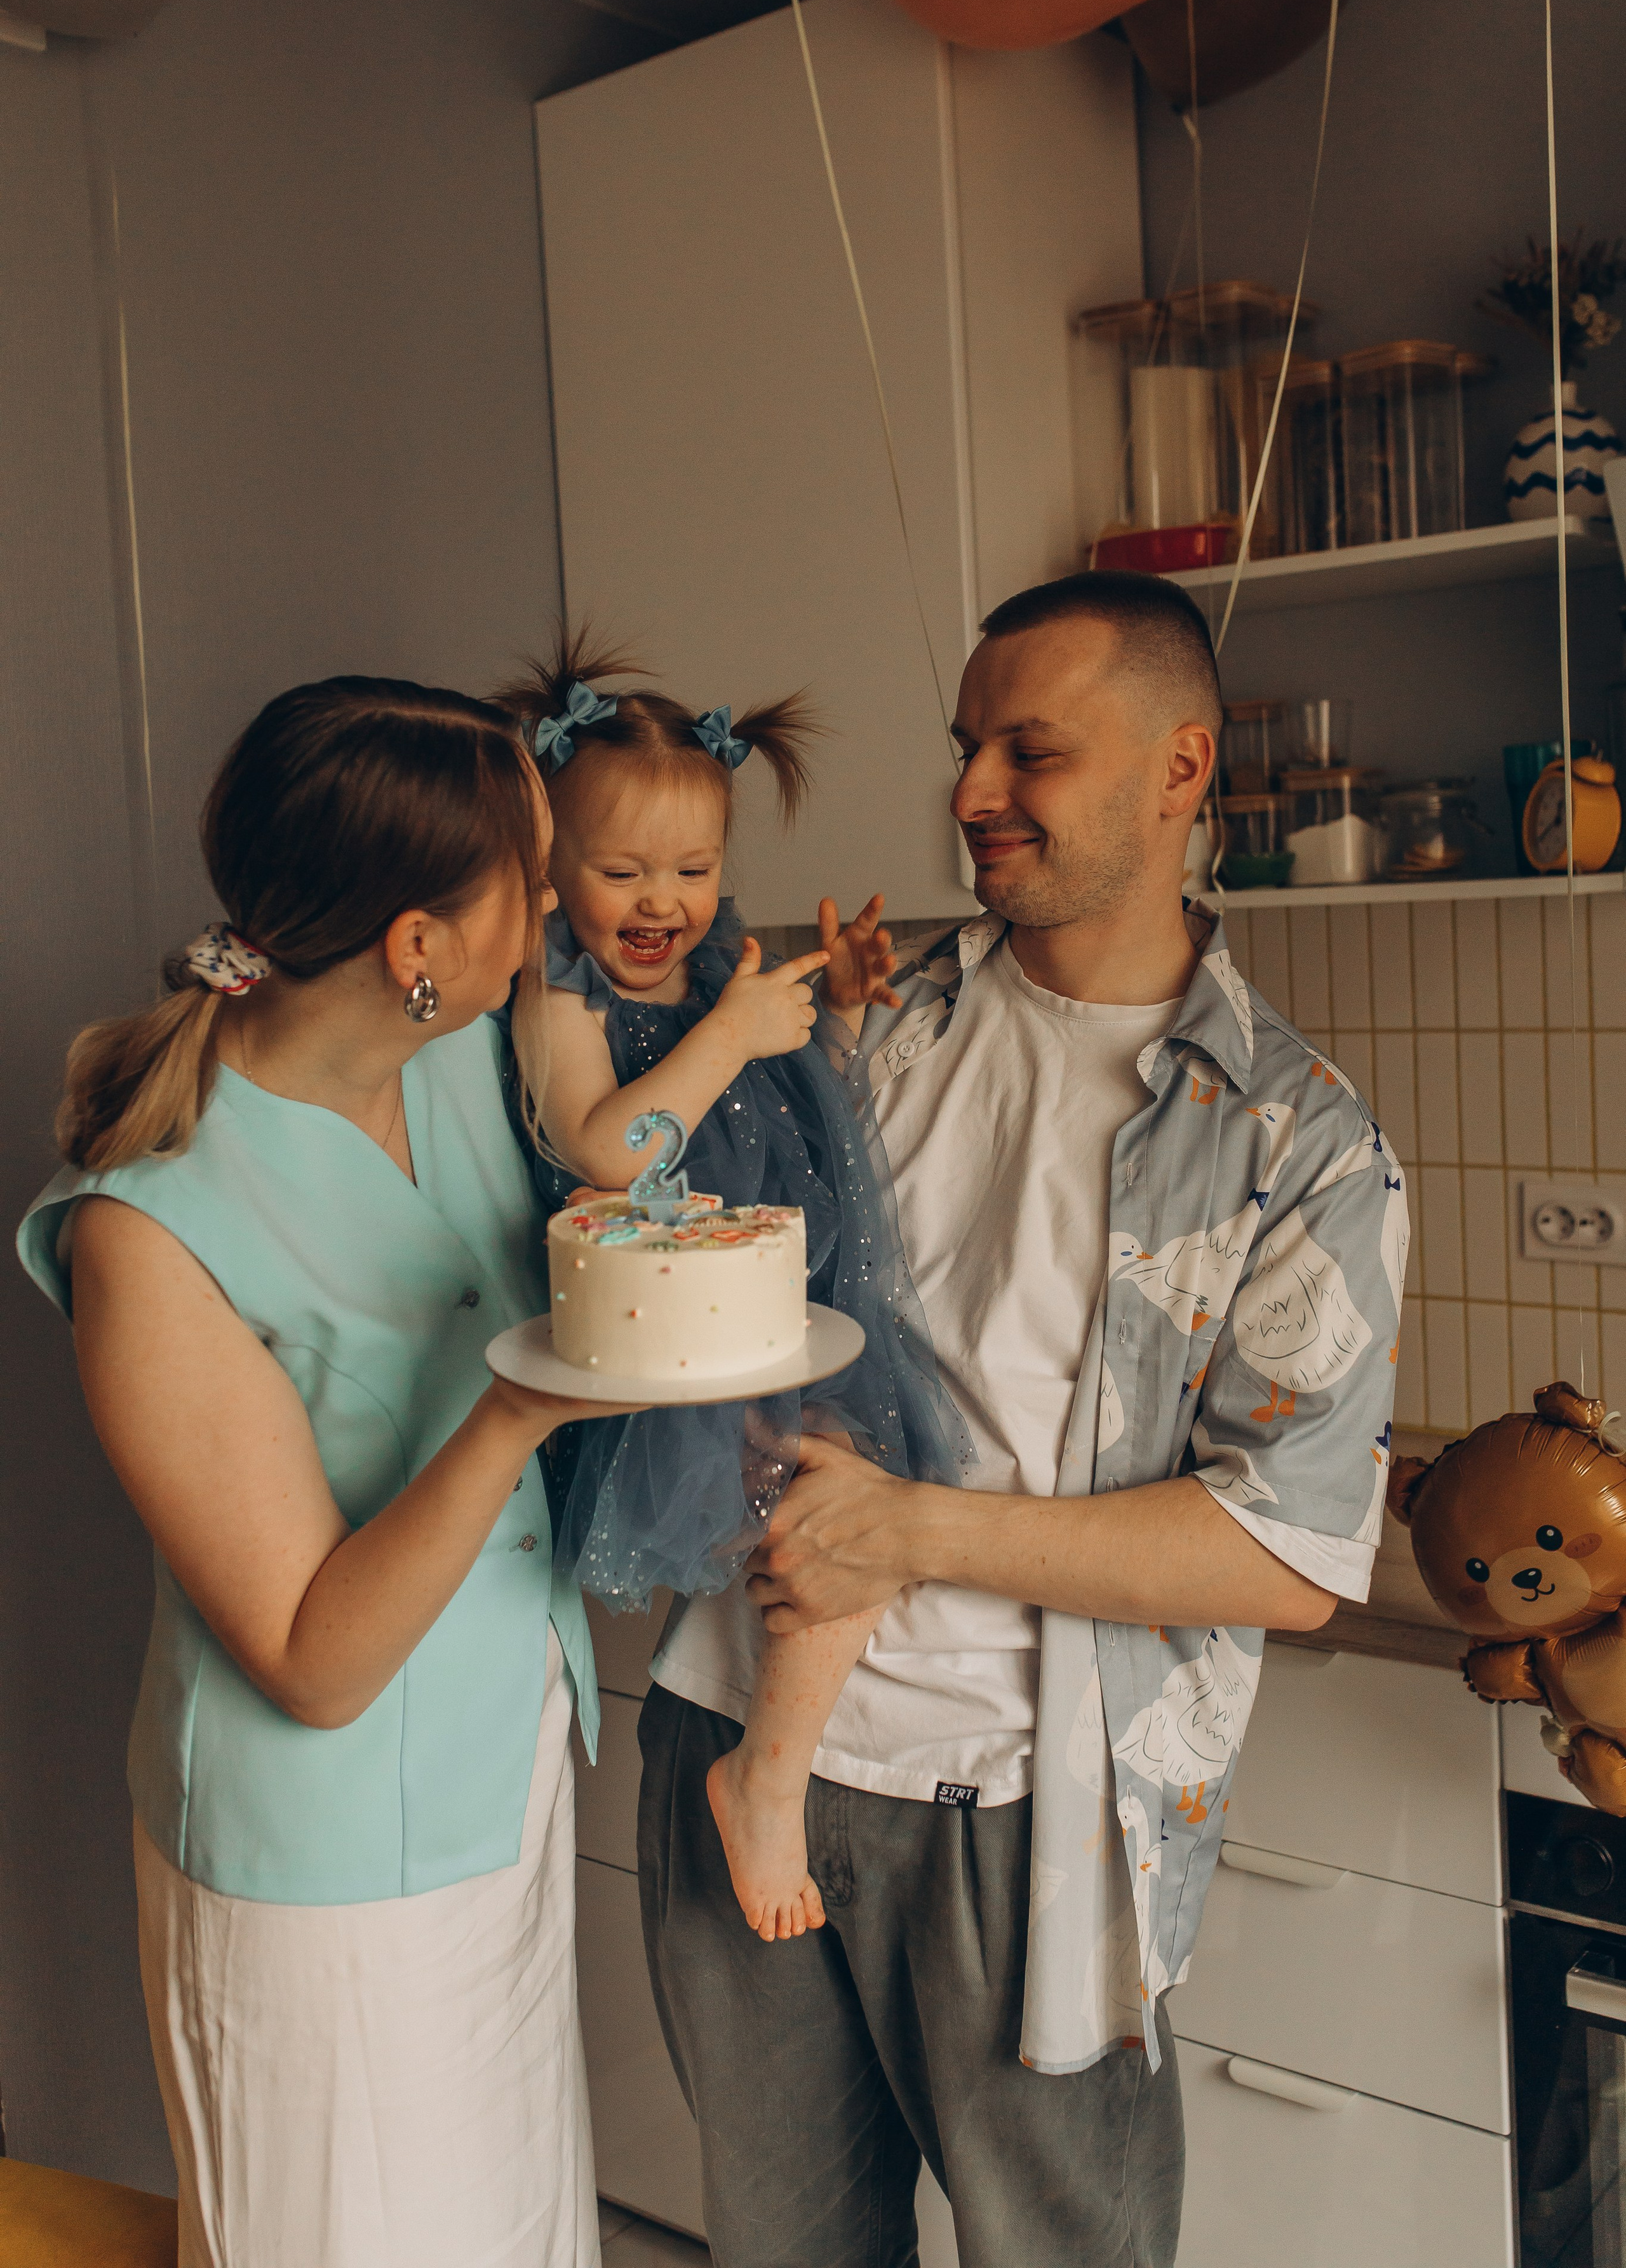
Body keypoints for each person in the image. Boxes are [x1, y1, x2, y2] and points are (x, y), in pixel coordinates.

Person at [637, 571, 1409, 2268]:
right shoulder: (866, 1024)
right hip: (734, 1731)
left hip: (1024, 1814)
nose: (972, 792)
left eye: (1030, 752)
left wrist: (909, 1533)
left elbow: (1285, 1557)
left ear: (1180, 768)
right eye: (968, 747)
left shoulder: (1294, 1143)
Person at [16, 676, 647, 2268]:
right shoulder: (148, 1229)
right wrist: (514, 1408)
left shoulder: (456, 1064)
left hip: (500, 1785)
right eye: (532, 872)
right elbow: (311, 1661)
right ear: (418, 941)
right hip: (329, 1879)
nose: (555, 904)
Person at [495, 636, 970, 1942]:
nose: (664, 901)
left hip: (771, 1317)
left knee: (849, 1526)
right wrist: (726, 1030)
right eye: (622, 872)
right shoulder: (557, 986)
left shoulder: (715, 973)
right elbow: (608, 1148)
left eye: (694, 871)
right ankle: (765, 1782)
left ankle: (766, 1771)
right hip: (664, 1342)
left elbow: (782, 1106)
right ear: (550, 867)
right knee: (841, 1529)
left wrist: (841, 1013)